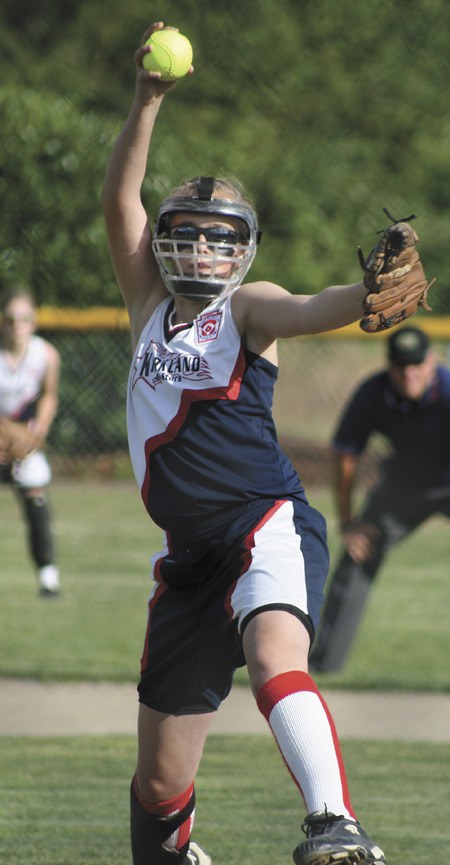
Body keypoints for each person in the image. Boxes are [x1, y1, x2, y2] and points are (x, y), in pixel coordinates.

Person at [101, 21, 388, 865]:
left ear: (242, 250)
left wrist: (364, 292)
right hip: (188, 559)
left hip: (263, 521)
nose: (201, 247)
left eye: (219, 236)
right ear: (164, 240)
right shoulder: (147, 303)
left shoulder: (248, 306)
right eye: (187, 231)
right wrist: (147, 100)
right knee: (157, 789)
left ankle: (335, 824)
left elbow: (309, 307)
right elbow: (120, 201)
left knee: (274, 656)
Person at [309, 325, 450, 674]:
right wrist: (349, 525)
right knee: (359, 552)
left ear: (432, 362)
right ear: (389, 366)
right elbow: (344, 458)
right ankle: (324, 666)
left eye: (417, 364)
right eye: (401, 366)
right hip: (403, 485)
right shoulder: (373, 393)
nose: (409, 373)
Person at [0, 285, 61, 597]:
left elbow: (49, 396)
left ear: (34, 321)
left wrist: (36, 436)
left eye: (24, 318)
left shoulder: (46, 354)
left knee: (36, 487)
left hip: (22, 444)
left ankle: (48, 575)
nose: (17, 326)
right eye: (10, 319)